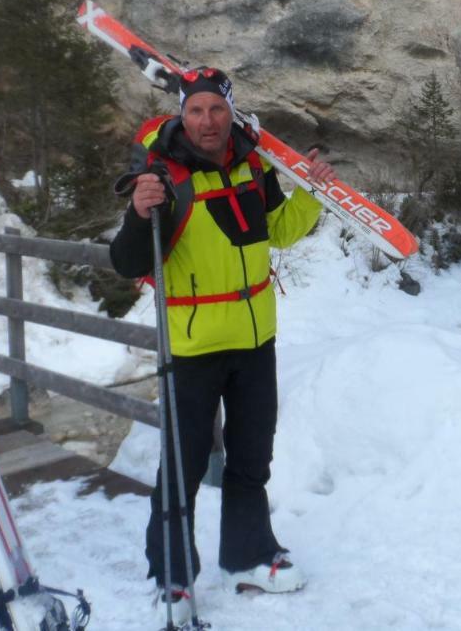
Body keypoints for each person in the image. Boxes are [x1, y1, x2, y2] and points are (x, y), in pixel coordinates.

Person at [109, 66, 335, 624]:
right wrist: (141, 213)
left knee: (252, 458)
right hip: (192, 347)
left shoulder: (254, 163)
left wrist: (312, 192)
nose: (207, 121)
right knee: (181, 467)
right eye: (196, 110)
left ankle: (248, 555)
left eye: (216, 109)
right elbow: (127, 262)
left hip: (256, 340)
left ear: (230, 111)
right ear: (181, 115)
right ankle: (172, 575)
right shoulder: (161, 174)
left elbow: (277, 231)